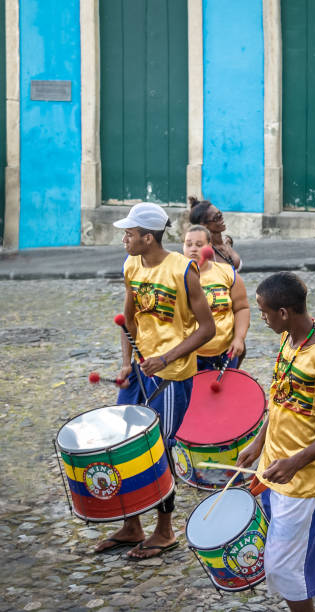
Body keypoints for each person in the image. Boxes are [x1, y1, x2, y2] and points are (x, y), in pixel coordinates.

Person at [94, 203, 215, 559]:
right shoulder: (131, 265)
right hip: (140, 374)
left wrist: (168, 357)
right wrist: (126, 364)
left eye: (129, 234)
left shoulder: (183, 270)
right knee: (123, 446)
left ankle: (164, 531)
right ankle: (132, 526)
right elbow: (129, 320)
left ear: (148, 237)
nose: (124, 239)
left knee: (157, 452)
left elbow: (207, 328)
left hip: (173, 377)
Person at [237, 272, 315, 612]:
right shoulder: (289, 341)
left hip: (302, 481)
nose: (261, 318)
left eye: (264, 312)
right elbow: (279, 400)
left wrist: (295, 462)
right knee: (278, 564)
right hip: (273, 470)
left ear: (284, 312)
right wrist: (259, 443)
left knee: (286, 569)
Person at [183, 224, 250, 370]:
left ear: (209, 246)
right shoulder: (174, 277)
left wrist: (239, 338)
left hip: (224, 354)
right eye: (188, 244)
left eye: (199, 244)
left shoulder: (228, 273)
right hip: (188, 357)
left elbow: (242, 308)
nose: (193, 248)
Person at [188, 196, 242, 270]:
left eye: (220, 214)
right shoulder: (207, 253)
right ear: (203, 225)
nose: (222, 219)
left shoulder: (226, 242)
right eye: (217, 217)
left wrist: (228, 242)